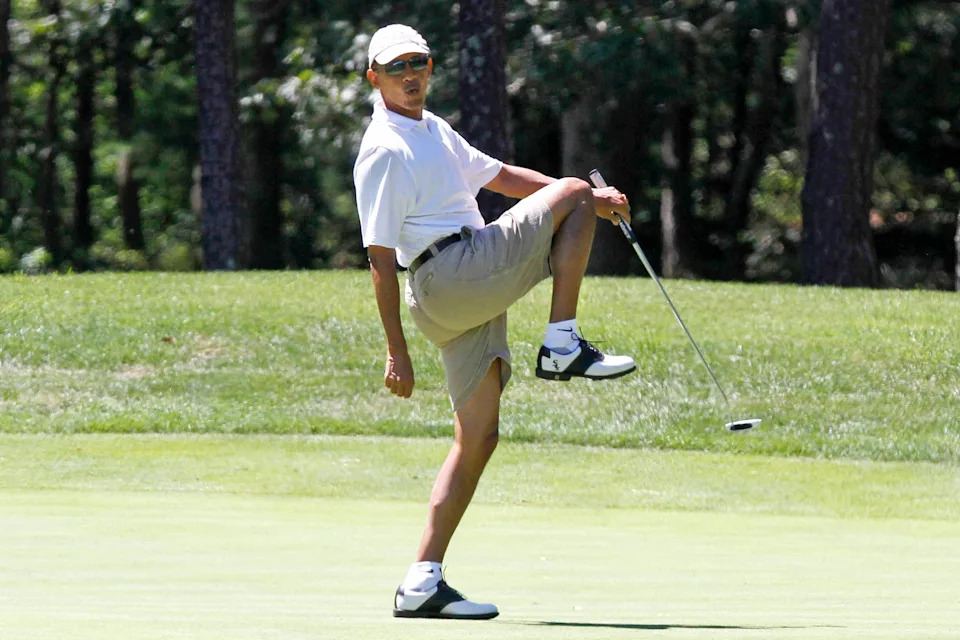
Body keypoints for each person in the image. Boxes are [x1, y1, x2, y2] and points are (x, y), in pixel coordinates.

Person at [353, 24, 635, 620]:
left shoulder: (433, 130)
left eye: (420, 63)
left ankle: (422, 580)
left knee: (478, 436)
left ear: (430, 68)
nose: (411, 74)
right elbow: (379, 259)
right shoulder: (384, 149)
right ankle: (561, 343)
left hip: (464, 287)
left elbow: (502, 176)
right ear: (374, 77)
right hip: (446, 276)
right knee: (574, 193)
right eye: (397, 66)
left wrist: (592, 201)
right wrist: (394, 352)